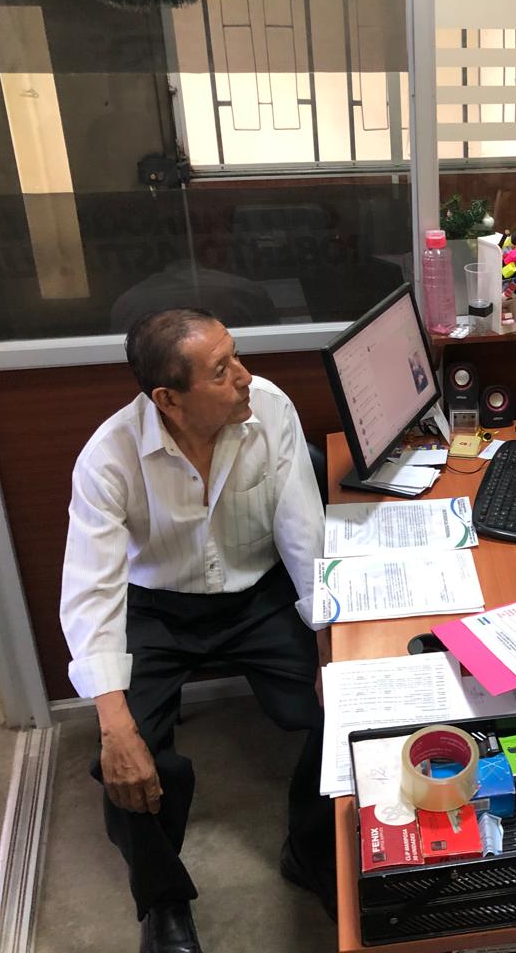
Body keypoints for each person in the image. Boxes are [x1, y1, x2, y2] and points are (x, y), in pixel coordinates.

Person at [60, 308, 334, 953]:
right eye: (221, 370)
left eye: (236, 355)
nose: (244, 376)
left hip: (259, 590)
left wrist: (329, 648)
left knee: (339, 708)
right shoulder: (109, 458)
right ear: (168, 399)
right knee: (129, 757)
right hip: (157, 605)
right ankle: (163, 902)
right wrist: (114, 723)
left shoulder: (270, 409)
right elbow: (91, 590)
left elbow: (303, 533)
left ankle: (309, 847)